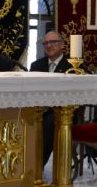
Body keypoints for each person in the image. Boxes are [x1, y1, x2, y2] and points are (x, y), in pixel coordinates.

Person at [30, 31, 77, 168]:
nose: (49, 45)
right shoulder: (36, 66)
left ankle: (38, 166)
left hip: (63, 111)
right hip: (39, 108)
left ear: (62, 45)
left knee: (50, 121)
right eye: (46, 43)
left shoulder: (72, 65)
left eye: (53, 42)